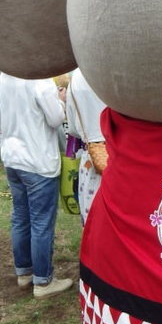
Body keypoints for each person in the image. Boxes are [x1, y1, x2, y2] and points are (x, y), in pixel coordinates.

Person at [0, 73, 73, 298]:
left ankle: (25, 272)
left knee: (21, 217)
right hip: (37, 159)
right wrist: (61, 100)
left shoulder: (5, 76)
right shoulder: (39, 80)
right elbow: (56, 119)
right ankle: (43, 281)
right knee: (41, 223)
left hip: (13, 156)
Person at [65, 68, 107, 224]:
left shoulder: (77, 77)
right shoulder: (115, 69)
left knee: (92, 215)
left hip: (91, 155)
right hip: (120, 152)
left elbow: (72, 129)